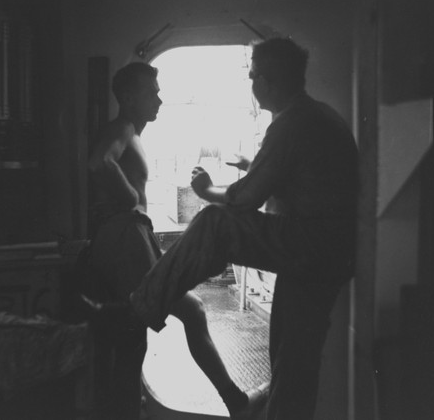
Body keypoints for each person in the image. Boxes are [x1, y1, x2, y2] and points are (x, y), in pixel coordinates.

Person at [130, 37, 359, 420]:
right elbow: (300, 180)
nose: (251, 85)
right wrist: (251, 164)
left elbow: (245, 199)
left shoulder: (293, 121)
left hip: (311, 245)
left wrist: (206, 191)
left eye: (253, 76)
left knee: (215, 222)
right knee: (292, 355)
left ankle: (140, 306)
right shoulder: (315, 115)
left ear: (267, 83)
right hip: (322, 252)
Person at [87, 62, 256, 420]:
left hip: (132, 237)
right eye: (152, 92)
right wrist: (131, 200)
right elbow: (100, 161)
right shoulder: (123, 128)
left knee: (136, 332)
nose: (159, 99)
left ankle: (132, 407)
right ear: (129, 97)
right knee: (184, 314)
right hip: (126, 237)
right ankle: (235, 403)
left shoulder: (134, 133)